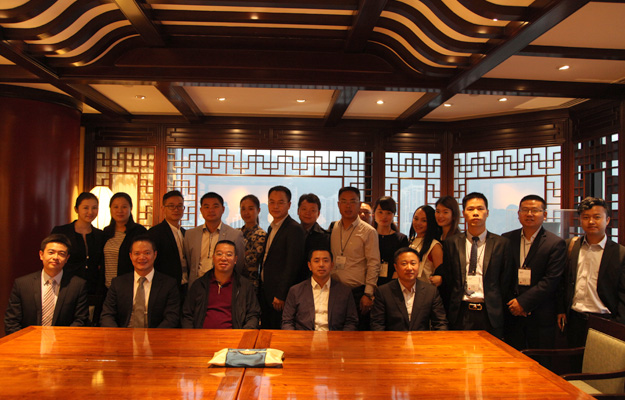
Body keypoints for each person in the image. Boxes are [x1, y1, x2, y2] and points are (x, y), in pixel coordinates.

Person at [443, 192, 513, 339]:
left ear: (487, 212)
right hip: (461, 312)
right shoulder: (452, 243)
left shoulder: (501, 244)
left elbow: (506, 281)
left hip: (490, 313)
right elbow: (449, 280)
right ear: (463, 213)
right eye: (470, 209)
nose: (475, 213)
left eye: (480, 209)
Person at [557, 197, 625, 349]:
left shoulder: (620, 253)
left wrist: (618, 324)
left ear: (607, 220)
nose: (591, 221)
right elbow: (562, 282)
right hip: (574, 318)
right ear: (580, 220)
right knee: (574, 360)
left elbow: (623, 294)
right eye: (586, 217)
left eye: (597, 217)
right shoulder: (571, 246)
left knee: (601, 361)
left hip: (605, 319)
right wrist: (561, 310)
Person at [502, 195, 566, 352]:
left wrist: (523, 303)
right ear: (518, 214)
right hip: (512, 314)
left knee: (540, 360)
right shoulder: (507, 239)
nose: (529, 214)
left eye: (535, 210)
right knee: (512, 358)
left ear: (544, 214)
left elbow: (551, 280)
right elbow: (503, 275)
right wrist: (513, 303)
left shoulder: (555, 243)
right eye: (525, 210)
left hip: (540, 314)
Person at [4, 234, 89, 335]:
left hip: (63, 341)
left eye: (61, 254)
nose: (55, 257)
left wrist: (60, 340)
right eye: (51, 252)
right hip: (28, 341)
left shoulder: (78, 285)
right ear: (41, 255)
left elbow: (80, 320)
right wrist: (27, 341)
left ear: (67, 258)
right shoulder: (22, 284)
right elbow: (11, 321)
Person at [100, 235, 180, 328]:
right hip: (124, 333)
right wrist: (118, 334)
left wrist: (154, 335)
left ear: (155, 255)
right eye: (137, 253)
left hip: (156, 334)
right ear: (131, 256)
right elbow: (107, 315)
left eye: (147, 253)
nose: (142, 257)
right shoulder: (118, 283)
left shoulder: (168, 284)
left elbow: (172, 317)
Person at [330, 187, 380, 330]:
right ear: (338, 204)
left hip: (357, 292)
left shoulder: (368, 231)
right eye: (344, 201)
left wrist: (368, 294)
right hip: (335, 290)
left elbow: (374, 263)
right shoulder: (334, 228)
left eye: (353, 201)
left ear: (359, 204)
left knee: (357, 333)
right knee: (336, 331)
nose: (348, 206)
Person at [51, 192, 105, 323]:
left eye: (94, 208)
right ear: (76, 209)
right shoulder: (61, 231)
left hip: (92, 288)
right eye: (85, 208)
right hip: (66, 286)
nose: (90, 212)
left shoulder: (101, 235)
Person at [182, 240, 260, 329]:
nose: (223, 258)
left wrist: (243, 334)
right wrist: (192, 335)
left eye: (229, 255)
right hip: (201, 335)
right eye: (219, 254)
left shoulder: (244, 286)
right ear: (213, 258)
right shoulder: (199, 284)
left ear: (235, 259)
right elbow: (187, 315)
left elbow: (253, 315)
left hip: (234, 335)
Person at [260, 186, 306, 329]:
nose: (275, 206)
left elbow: (292, 264)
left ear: (289, 205)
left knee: (279, 332)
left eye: (280, 202)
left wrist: (281, 294)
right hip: (266, 291)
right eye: (272, 202)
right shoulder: (272, 227)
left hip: (280, 296)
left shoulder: (294, 228)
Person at [371, 247, 448, 331]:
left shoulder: (431, 291)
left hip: (421, 338)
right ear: (396, 267)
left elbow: (440, 323)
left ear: (419, 265)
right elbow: (377, 324)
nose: (409, 268)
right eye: (404, 264)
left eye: (413, 263)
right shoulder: (384, 291)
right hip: (394, 338)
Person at [282, 249, 358, 331]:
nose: (321, 265)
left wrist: (342, 337)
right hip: (304, 337)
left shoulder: (344, 291)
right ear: (309, 265)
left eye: (325, 261)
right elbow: (287, 321)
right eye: (316, 261)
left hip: (334, 337)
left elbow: (351, 322)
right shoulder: (296, 291)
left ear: (332, 265)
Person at [184, 192, 245, 288]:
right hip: (196, 286)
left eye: (215, 206)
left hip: (224, 287)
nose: (211, 210)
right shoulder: (190, 234)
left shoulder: (235, 235)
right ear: (201, 210)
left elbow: (239, 265)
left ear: (223, 209)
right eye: (206, 207)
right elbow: (189, 263)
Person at [102, 192, 147, 289]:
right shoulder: (106, 232)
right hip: (107, 287)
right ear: (110, 209)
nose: (120, 210)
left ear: (131, 208)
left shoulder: (139, 232)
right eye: (116, 207)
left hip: (129, 287)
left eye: (124, 207)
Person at [148, 190, 187, 296]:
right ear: (163, 208)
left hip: (185, 286)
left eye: (179, 206)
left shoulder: (185, 233)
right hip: (164, 288)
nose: (176, 209)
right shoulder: (155, 233)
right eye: (171, 206)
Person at [373, 196, 408, 287]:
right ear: (374, 213)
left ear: (393, 215)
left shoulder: (401, 239)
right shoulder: (369, 236)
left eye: (388, 213)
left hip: (392, 284)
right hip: (369, 282)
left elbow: (402, 264)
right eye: (380, 212)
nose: (384, 216)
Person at [297, 193, 330, 282]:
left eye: (312, 210)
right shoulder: (291, 232)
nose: (308, 213)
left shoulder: (324, 237)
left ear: (318, 214)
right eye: (304, 209)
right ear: (298, 211)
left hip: (314, 283)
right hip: (291, 283)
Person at [408, 205, 443, 287]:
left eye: (424, 220)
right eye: (416, 219)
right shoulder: (410, 242)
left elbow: (440, 274)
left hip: (426, 289)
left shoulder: (434, 245)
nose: (418, 223)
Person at [238, 194, 266, 292]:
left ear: (258, 210)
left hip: (252, 283)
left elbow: (252, 260)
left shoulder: (262, 235)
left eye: (250, 209)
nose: (246, 212)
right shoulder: (237, 233)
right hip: (235, 281)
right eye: (243, 209)